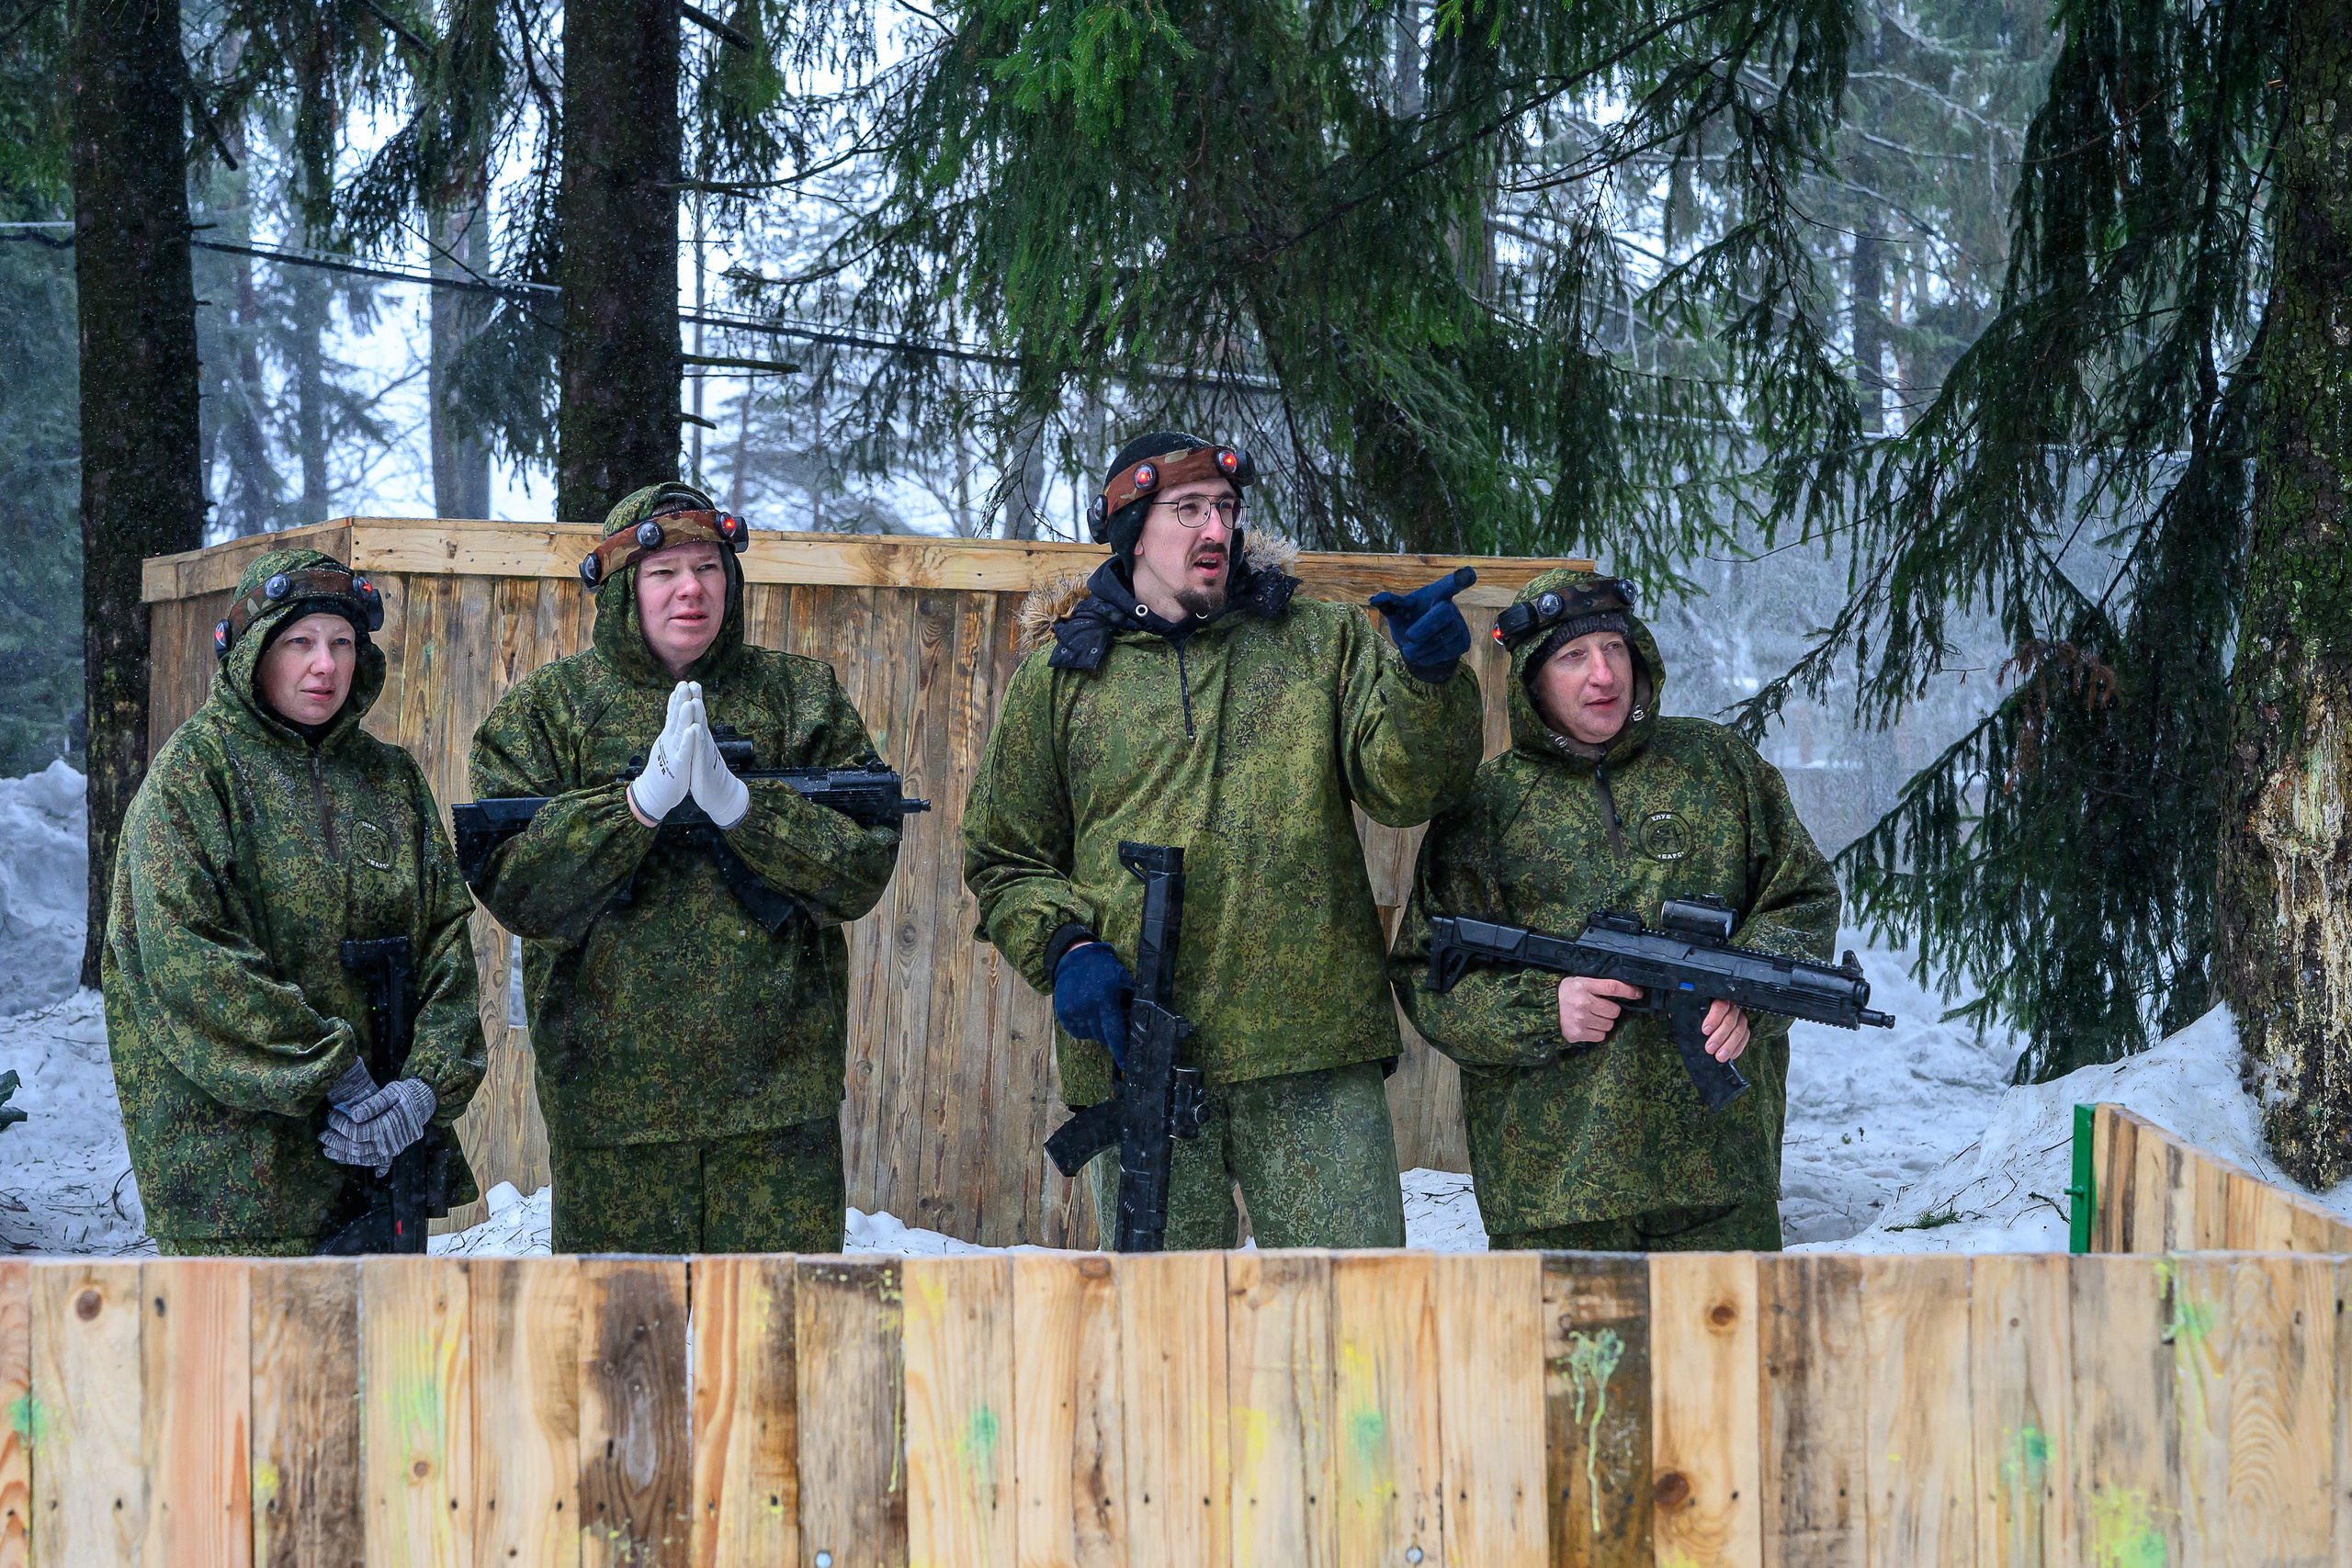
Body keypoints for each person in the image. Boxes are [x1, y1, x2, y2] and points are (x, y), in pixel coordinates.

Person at [963, 431, 1485, 1249]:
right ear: (1134, 528)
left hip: (1312, 1055)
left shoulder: (1319, 644)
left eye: (1227, 509)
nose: (1216, 529)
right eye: (1189, 509)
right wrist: (1065, 950)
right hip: (1141, 1060)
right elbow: (1003, 854)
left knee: (1347, 1326)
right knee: (1167, 1340)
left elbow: (1409, 790)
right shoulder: (1061, 680)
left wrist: (1427, 683)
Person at [468, 482, 903, 1254]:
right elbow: (516, 884)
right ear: (623, 586)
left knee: (778, 1347)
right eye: (663, 572)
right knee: (624, 1352)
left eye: (708, 567)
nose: (691, 589)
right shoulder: (549, 711)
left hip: (776, 1110)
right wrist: (634, 808)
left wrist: (743, 810)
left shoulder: (801, 697)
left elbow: (860, 867)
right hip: (611, 1110)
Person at [1392, 570, 1841, 1251]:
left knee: (1729, 1359)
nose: (1602, 673)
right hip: (1552, 1196)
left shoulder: (1717, 768)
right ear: (1532, 679)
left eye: (1614, 648)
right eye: (1573, 656)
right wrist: (1549, 1008)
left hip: (1719, 1185)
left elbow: (1803, 895)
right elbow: (1428, 973)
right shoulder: (1485, 810)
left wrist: (1751, 999)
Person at [105, 548, 486, 1256]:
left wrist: (421, 1092)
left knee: (385, 1363)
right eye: (300, 642)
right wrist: (331, 1071)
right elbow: (188, 960)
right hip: (239, 1188)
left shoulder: (390, 779)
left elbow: (445, 945)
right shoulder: (194, 777)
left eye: (342, 642)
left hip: (379, 1171)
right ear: (253, 651)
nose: (326, 665)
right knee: (247, 1366)